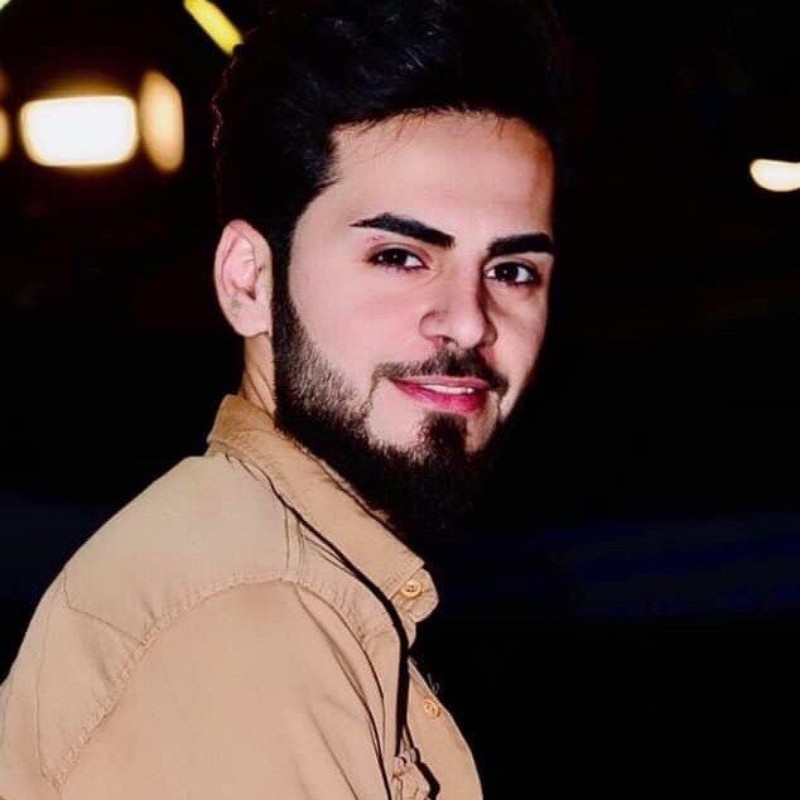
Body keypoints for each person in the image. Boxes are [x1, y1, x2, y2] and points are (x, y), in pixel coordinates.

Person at [0, 0, 572, 796]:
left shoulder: (288, 583)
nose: (470, 320)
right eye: (400, 256)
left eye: (512, 271)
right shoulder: (246, 608)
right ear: (248, 280)